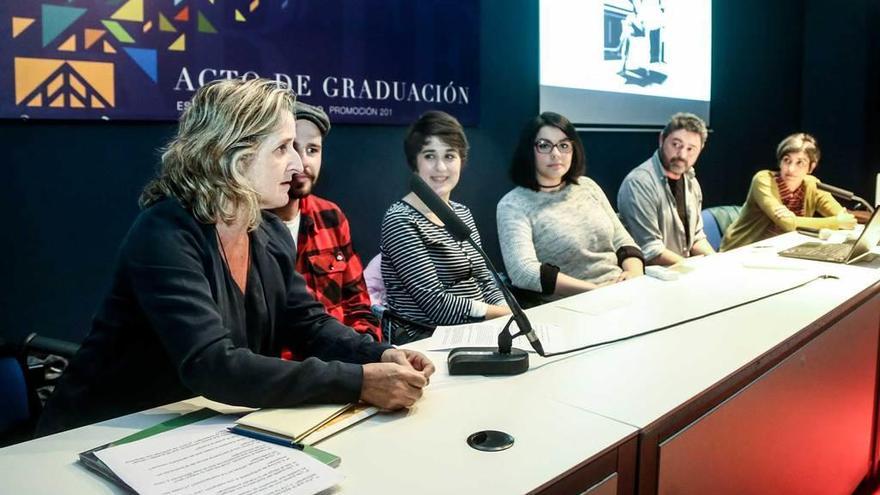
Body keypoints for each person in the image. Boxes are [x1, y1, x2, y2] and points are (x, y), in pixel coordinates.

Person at [37, 79, 433, 436]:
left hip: (186, 429)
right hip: (95, 434)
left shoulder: (269, 232)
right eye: (282, 149)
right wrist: (359, 381)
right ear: (230, 156)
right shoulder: (163, 234)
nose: (297, 165)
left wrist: (379, 353)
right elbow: (213, 365)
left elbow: (308, 324)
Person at [380, 111, 510, 344]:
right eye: (430, 156)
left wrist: (505, 315)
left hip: (479, 330)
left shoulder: (462, 213)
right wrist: (503, 315)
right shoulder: (399, 219)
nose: (440, 167)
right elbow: (436, 305)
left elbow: (485, 278)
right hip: (426, 340)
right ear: (415, 162)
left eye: (450, 156)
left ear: (461, 160)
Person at [497, 112, 644, 303]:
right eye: (544, 145)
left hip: (622, 291)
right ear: (528, 150)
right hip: (571, 305)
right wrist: (596, 291)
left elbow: (622, 239)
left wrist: (634, 273)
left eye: (564, 145)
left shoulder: (587, 186)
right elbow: (523, 271)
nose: (556, 154)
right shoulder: (512, 204)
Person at [270, 102, 381, 342]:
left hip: (346, 360)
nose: (301, 162)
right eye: (288, 148)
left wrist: (366, 351)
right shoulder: (248, 224)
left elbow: (359, 305)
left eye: (312, 150)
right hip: (291, 372)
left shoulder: (331, 216)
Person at [721, 133, 856, 251]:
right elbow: (787, 224)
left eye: (800, 163)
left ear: (811, 167)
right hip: (742, 251)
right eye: (787, 160)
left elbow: (845, 218)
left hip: (783, 251)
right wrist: (837, 222)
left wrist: (840, 220)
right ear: (780, 162)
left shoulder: (812, 184)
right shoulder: (763, 179)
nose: (791, 169)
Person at [617, 112, 715, 266]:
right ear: (662, 139)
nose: (682, 154)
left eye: (690, 149)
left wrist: (717, 262)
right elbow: (651, 250)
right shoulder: (639, 183)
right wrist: (692, 269)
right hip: (651, 277)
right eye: (676, 145)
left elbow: (696, 238)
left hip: (681, 270)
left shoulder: (691, 181)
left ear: (700, 150)